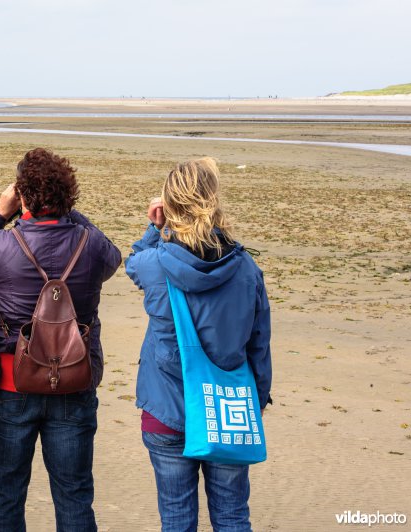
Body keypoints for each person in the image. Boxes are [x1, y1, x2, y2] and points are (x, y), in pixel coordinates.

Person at [0, 147, 121, 532]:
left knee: (6, 494)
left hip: (12, 384)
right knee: (74, 495)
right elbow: (112, 255)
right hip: (74, 382)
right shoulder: (89, 245)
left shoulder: (2, 246)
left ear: (22, 197)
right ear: (68, 195)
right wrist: (68, 213)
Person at [125, 157, 272, 532]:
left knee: (176, 518)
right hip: (227, 409)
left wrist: (154, 227)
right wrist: (257, 399)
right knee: (233, 517)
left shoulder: (155, 264)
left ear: (170, 207)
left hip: (166, 409)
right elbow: (259, 344)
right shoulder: (246, 270)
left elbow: (133, 263)